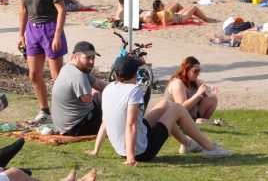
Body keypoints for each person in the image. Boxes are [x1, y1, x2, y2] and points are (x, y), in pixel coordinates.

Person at [90, 56, 232, 164]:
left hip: (122, 148)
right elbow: (131, 125)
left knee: (166, 103)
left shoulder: (109, 88)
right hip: (141, 151)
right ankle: (209, 148)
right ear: (134, 74)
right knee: (178, 108)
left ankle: (187, 144)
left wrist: (96, 150)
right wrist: (131, 158)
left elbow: (105, 121)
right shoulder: (133, 90)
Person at [14, 0, 68, 124]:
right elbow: (23, 9)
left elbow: (62, 9)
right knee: (34, 74)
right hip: (32, 29)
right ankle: (44, 111)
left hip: (50, 28)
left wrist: (57, 35)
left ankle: (63, 113)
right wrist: (21, 34)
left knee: (56, 76)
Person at [51, 41, 106, 136]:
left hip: (66, 125)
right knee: (115, 114)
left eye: (93, 58)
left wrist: (119, 89)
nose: (91, 62)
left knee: (102, 95)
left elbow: (100, 85)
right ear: (75, 57)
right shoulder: (78, 75)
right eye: (87, 58)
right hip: (75, 127)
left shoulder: (70, 67)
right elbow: (87, 99)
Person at [166, 57, 218, 123]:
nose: (198, 73)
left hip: (191, 115)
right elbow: (181, 108)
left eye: (199, 71)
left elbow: (206, 92)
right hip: (176, 118)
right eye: (195, 71)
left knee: (212, 98)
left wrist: (211, 91)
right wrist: (198, 94)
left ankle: (203, 122)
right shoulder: (177, 82)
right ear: (186, 70)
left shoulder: (194, 80)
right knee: (201, 121)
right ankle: (204, 122)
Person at [143, 0, 211, 26]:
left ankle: (204, 18)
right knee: (194, 7)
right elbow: (165, 25)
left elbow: (159, 22)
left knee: (190, 6)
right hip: (181, 18)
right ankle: (206, 19)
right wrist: (172, 21)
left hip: (177, 15)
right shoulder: (163, 13)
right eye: (162, 5)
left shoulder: (159, 14)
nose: (163, 5)